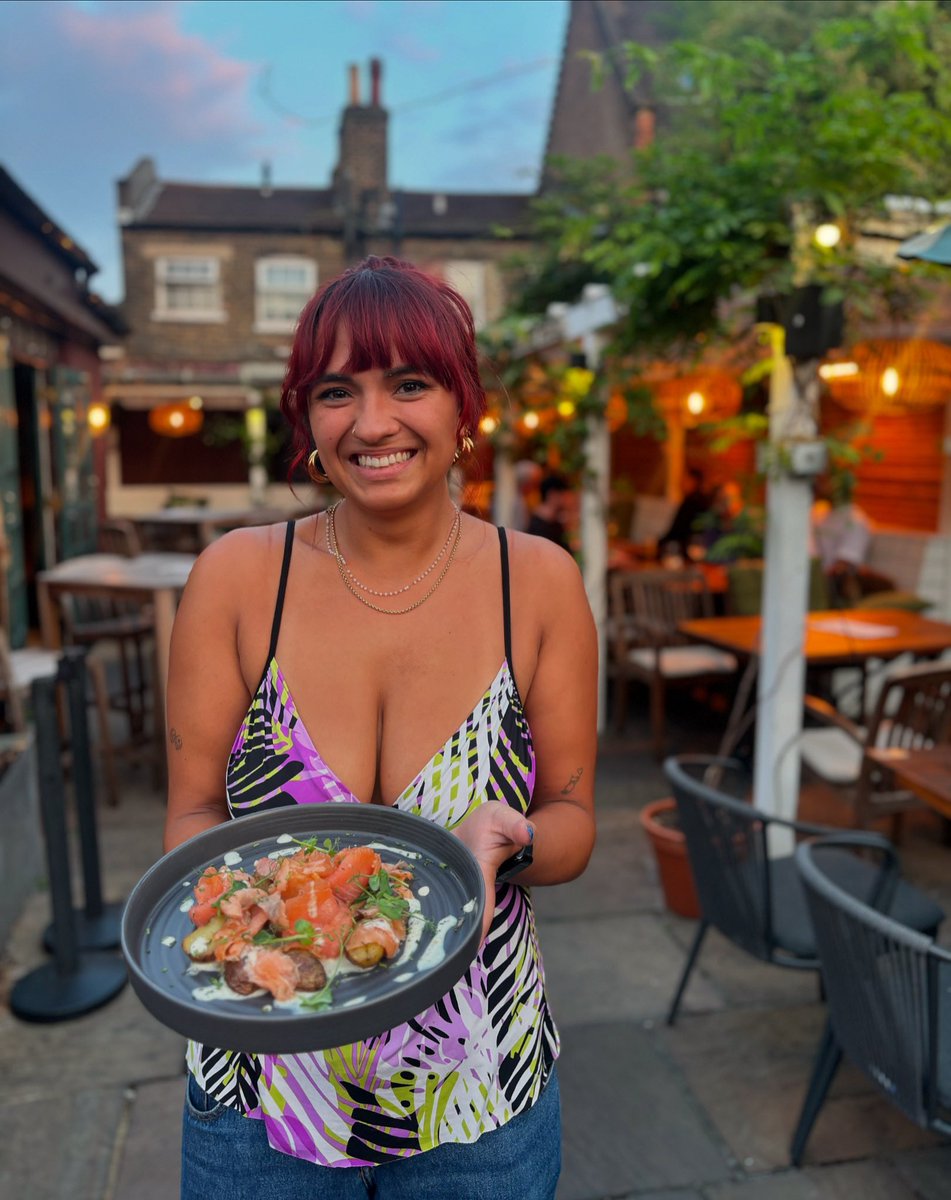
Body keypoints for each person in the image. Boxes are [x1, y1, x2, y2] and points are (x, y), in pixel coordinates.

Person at [164, 255, 598, 1200]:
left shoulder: (539, 582)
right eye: (336, 391)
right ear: (306, 419)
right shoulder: (238, 580)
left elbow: (570, 816)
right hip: (258, 1092)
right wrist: (238, 924)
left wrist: (509, 841)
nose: (371, 423)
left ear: (461, 405)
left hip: (477, 1091)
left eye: (410, 383)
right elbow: (192, 817)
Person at [657, 467, 711, 560]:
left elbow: (676, 532)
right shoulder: (702, 501)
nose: (680, 483)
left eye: (684, 479)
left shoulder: (691, 503)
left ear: (694, 481)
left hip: (684, 550)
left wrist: (656, 545)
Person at [526, 472, 573, 550]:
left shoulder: (555, 521)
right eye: (563, 494)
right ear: (552, 494)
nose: (567, 499)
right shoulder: (538, 527)